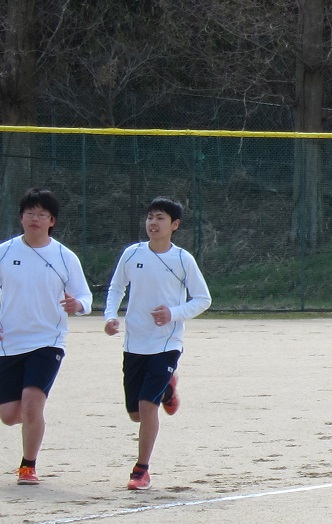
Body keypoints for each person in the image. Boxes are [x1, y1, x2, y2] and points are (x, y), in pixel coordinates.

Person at [104, 196, 212, 490]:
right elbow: (116, 287)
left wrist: (173, 313)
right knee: (135, 414)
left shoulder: (183, 259)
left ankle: (141, 471)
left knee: (147, 407)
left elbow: (203, 299)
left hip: (167, 343)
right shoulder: (132, 254)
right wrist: (111, 316)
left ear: (174, 225)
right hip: (134, 343)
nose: (153, 223)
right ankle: (168, 389)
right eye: (150, 217)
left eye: (160, 218)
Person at [0, 189, 91, 486]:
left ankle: (28, 466)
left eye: (42, 214)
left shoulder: (65, 256)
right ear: (21, 218)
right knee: (9, 415)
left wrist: (78, 305)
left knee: (31, 402)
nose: (35, 219)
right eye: (30, 213)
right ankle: (31, 420)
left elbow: (84, 296)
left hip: (48, 341)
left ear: (52, 221)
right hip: (9, 342)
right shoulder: (5, 252)